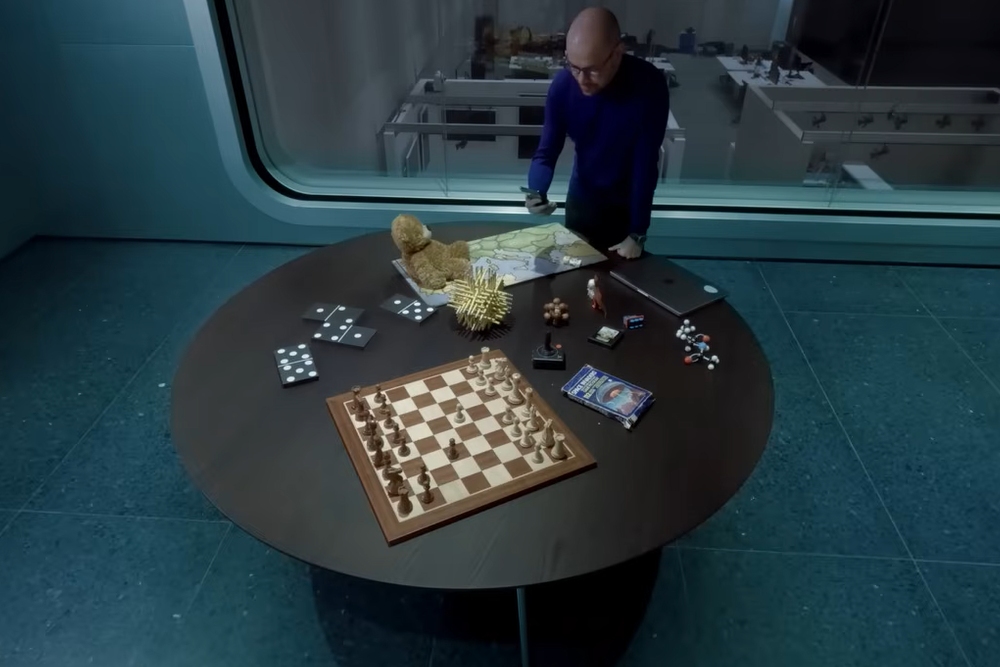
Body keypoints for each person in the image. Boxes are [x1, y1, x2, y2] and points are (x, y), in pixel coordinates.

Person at [524, 8, 670, 259]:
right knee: (574, 275)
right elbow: (547, 151)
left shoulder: (649, 86)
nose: (582, 80)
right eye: (574, 67)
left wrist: (638, 232)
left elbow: (645, 165)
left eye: (592, 69)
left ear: (617, 53)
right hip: (582, 196)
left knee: (622, 278)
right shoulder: (563, 86)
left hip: (626, 204)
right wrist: (536, 191)